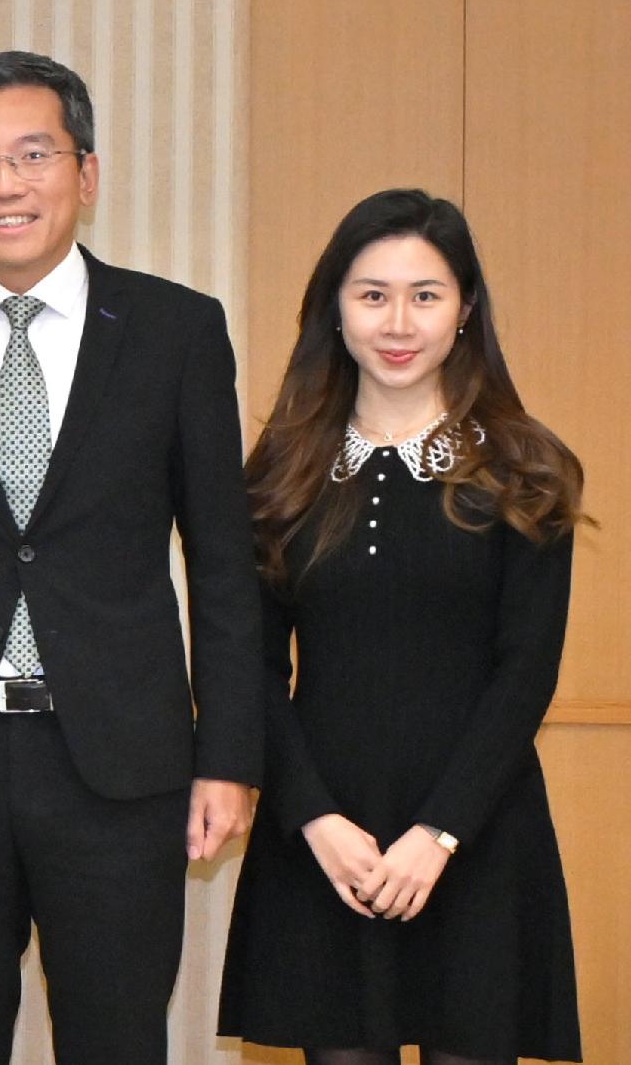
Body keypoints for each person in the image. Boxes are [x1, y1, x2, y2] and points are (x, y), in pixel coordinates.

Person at [0, 50, 260, 1065]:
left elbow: (223, 562)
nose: (5, 182)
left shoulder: (175, 330)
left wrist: (229, 756)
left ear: (87, 172)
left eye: (33, 153)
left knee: (116, 1043)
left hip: (118, 767)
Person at [217, 189, 586, 1065]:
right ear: (334, 312)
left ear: (464, 312)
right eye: (371, 293)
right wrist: (314, 821)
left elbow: (524, 672)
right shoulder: (279, 472)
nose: (398, 321)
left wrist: (440, 833)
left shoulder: (526, 468)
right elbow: (251, 667)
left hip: (475, 835)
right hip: (327, 839)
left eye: (426, 294)